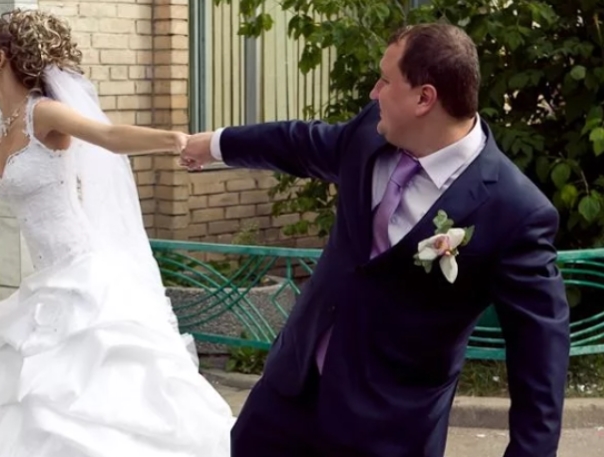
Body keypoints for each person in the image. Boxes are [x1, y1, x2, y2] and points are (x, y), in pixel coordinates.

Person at [180, 23, 569, 457]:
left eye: (385, 80)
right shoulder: (372, 130)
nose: (373, 92)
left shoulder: (515, 212)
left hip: (389, 429)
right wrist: (216, 144)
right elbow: (303, 143)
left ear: (424, 98)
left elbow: (539, 351)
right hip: (287, 396)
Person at [0, 8, 234, 457]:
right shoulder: (3, 129)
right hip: (45, 283)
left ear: (1, 58)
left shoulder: (42, 113)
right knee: (26, 397)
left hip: (82, 276)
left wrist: (175, 141)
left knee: (87, 396)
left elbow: (108, 136)